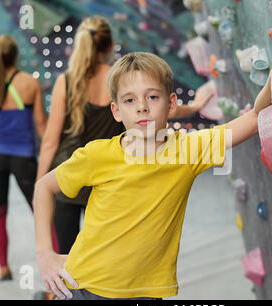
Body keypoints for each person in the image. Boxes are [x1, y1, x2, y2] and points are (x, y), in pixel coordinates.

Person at [33, 52, 272, 300]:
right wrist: (45, 255)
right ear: (116, 111)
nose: (141, 106)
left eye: (152, 97)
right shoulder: (96, 155)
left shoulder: (188, 151)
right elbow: (43, 187)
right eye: (130, 100)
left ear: (171, 104)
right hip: (84, 286)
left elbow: (253, 119)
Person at [37, 16, 215, 257]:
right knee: (104, 255)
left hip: (70, 176)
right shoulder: (120, 79)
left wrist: (41, 187)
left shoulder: (66, 81)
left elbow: (49, 142)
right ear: (110, 46)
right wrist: (193, 107)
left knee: (65, 259)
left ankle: (59, 295)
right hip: (108, 178)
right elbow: (157, 106)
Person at [0, 34, 56, 281]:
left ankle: (4, 267)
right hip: (23, 158)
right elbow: (40, 122)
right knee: (41, 210)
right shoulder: (29, 83)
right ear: (16, 55)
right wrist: (52, 153)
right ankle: (56, 261)